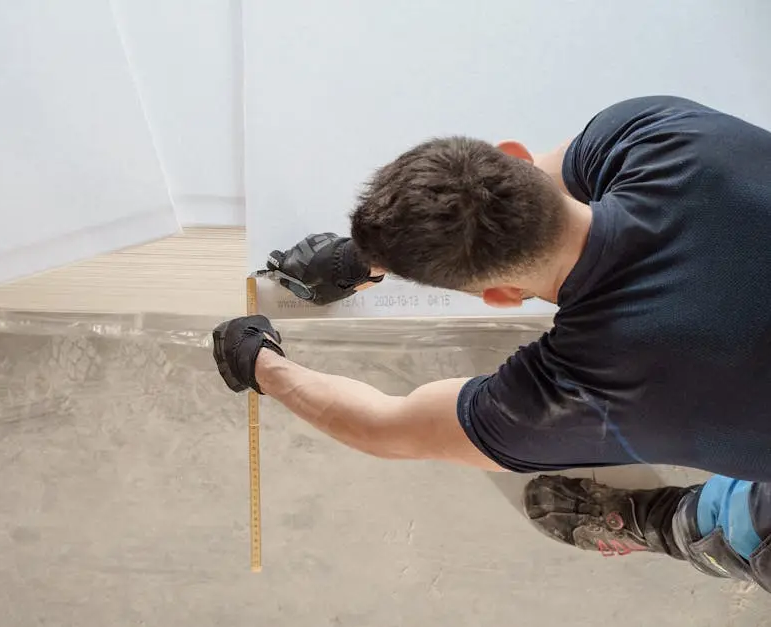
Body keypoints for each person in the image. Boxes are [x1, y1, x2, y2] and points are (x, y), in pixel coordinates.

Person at [211, 96, 771, 590]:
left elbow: (387, 428)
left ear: (502, 295)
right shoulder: (657, 133)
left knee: (746, 530)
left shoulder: (580, 393)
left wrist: (258, 362)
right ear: (511, 150)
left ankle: (678, 526)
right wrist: (370, 254)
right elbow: (537, 186)